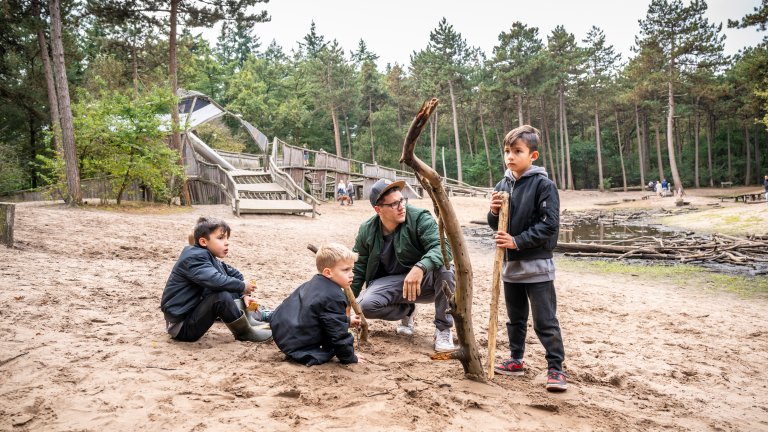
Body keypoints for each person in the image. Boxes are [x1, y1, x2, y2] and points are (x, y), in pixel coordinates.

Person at [487, 125, 567, 392]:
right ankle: (516, 360)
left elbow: (549, 225)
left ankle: (555, 368)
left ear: (533, 155)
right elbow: (496, 224)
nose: (510, 156)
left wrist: (517, 241)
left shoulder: (544, 185)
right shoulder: (502, 185)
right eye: (507, 151)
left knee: (545, 321)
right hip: (510, 267)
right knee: (516, 319)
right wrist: (493, 212)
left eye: (517, 151)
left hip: (537, 267)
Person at [352, 179, 457, 352]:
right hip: (391, 285)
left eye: (402, 200)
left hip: (424, 282)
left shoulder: (419, 217)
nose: (402, 207)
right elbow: (358, 269)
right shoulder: (367, 230)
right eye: (394, 204)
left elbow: (443, 247)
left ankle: (443, 329)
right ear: (378, 209)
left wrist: (421, 267)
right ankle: (407, 310)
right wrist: (346, 304)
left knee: (446, 268)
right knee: (363, 307)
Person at [160, 217, 272, 343]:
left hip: (192, 315)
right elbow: (216, 280)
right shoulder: (194, 258)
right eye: (220, 238)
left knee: (229, 284)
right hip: (182, 327)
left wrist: (244, 294)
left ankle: (248, 320)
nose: (227, 243)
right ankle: (245, 332)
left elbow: (234, 274)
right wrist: (242, 286)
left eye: (227, 238)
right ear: (203, 242)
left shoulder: (208, 257)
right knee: (221, 295)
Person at [269, 243, 361, 366]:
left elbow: (318, 314)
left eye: (352, 269)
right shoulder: (334, 296)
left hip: (284, 336)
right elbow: (338, 334)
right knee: (332, 344)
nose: (352, 274)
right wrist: (350, 357)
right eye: (346, 270)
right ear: (328, 272)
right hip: (302, 348)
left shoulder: (312, 283)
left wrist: (347, 320)